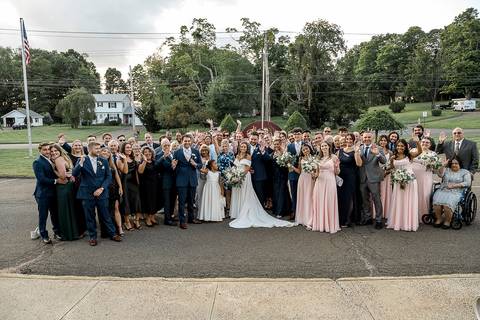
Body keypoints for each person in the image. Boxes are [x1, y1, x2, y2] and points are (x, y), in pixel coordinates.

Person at [229, 142, 295, 229]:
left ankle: (246, 212)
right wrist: (234, 176)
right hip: (237, 177)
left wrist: (239, 177)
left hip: (244, 177)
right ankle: (238, 212)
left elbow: (247, 168)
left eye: (245, 146)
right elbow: (235, 166)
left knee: (247, 194)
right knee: (238, 193)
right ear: (239, 147)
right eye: (241, 146)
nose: (243, 148)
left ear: (247, 148)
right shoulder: (236, 156)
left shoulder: (249, 156)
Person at [72, 142, 122, 246]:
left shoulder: (103, 161)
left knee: (106, 214)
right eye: (97, 149)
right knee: (90, 216)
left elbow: (108, 177)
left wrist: (102, 188)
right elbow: (74, 174)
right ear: (90, 149)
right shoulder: (82, 160)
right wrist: (80, 163)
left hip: (102, 192)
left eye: (99, 148)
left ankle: (112, 234)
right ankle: (93, 237)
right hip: (87, 193)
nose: (99, 150)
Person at [387, 139, 420, 232]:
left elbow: (419, 152)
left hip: (409, 181)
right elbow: (391, 168)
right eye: (398, 146)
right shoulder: (393, 157)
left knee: (408, 201)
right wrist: (384, 170)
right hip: (398, 181)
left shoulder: (409, 155)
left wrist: (417, 142)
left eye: (402, 146)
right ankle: (398, 222)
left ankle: (408, 223)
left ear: (405, 147)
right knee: (399, 201)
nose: (399, 147)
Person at [33, 142, 63, 244]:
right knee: (43, 215)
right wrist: (56, 181)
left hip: (53, 193)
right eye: (44, 150)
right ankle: (44, 235)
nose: (47, 151)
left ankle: (57, 232)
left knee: (55, 214)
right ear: (40, 150)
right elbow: (41, 179)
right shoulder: (38, 162)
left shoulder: (51, 159)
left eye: (48, 149)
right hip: (43, 194)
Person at [432, 157, 472, 229]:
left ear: (460, 164)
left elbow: (468, 183)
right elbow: (440, 175)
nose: (454, 165)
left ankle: (448, 221)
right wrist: (443, 165)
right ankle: (439, 219)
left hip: (456, 191)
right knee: (436, 204)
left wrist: (454, 185)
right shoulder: (447, 170)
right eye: (452, 163)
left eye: (456, 163)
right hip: (443, 189)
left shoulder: (465, 172)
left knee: (447, 205)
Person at [172, 135, 203, 229]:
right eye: (185, 141)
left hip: (192, 179)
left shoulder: (196, 152)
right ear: (182, 141)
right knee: (181, 201)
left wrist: (196, 164)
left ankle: (191, 218)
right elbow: (174, 166)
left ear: (191, 142)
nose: (187, 142)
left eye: (189, 141)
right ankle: (182, 221)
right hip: (181, 180)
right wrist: (173, 167)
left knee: (191, 200)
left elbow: (200, 165)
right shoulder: (177, 152)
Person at [358, 131, 387, 229]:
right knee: (365, 199)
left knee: (376, 199)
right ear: (362, 138)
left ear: (372, 138)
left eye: (368, 137)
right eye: (365, 137)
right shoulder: (359, 148)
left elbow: (384, 161)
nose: (366, 139)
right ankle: (368, 218)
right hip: (362, 178)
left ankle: (379, 220)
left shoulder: (378, 148)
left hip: (374, 178)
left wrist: (378, 154)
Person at [50, 144, 79, 241]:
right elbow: (70, 172)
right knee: (69, 209)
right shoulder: (64, 158)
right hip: (68, 186)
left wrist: (54, 171)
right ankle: (73, 232)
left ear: (59, 150)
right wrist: (69, 174)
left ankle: (67, 234)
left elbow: (62, 176)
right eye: (52, 151)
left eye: (55, 150)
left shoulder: (58, 159)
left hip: (63, 187)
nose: (54, 153)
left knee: (64, 210)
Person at [311, 142, 341, 233]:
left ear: (329, 147)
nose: (324, 147)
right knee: (319, 202)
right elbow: (316, 173)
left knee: (329, 201)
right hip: (319, 182)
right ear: (320, 148)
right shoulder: (318, 158)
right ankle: (320, 224)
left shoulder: (334, 157)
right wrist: (313, 174)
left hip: (330, 181)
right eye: (322, 146)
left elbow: (338, 172)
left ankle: (330, 224)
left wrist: (336, 167)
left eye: (325, 146)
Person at [337, 133, 362, 227]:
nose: (348, 140)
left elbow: (359, 164)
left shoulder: (356, 150)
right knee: (341, 198)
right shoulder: (340, 150)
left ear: (354, 140)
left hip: (350, 177)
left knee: (349, 198)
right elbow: (336, 163)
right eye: (347, 139)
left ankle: (348, 219)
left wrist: (356, 152)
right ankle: (340, 218)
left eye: (350, 139)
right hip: (340, 177)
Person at [100, 147, 124, 236]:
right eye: (104, 151)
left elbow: (117, 176)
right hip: (104, 189)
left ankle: (119, 228)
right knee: (105, 210)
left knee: (116, 208)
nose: (106, 153)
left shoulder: (112, 164)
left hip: (114, 188)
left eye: (108, 152)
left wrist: (120, 187)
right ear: (100, 153)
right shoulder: (98, 163)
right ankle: (107, 230)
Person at [411, 138, 437, 221]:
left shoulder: (433, 153)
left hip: (425, 177)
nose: (425, 143)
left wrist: (432, 165)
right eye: (423, 142)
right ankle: (411, 214)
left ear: (430, 144)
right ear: (420, 143)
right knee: (412, 194)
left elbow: (435, 168)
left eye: (427, 142)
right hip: (413, 176)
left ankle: (423, 214)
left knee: (424, 194)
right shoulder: (414, 150)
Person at [155, 138, 177, 226]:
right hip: (165, 181)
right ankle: (167, 220)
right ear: (161, 146)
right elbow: (156, 166)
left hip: (174, 181)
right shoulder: (159, 155)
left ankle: (171, 216)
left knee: (172, 200)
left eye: (168, 145)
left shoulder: (173, 154)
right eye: (165, 145)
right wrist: (164, 157)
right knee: (167, 201)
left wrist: (175, 166)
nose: (167, 147)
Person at [120, 142, 141, 230]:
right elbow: (124, 171)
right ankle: (127, 222)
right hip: (125, 182)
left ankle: (136, 220)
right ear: (123, 149)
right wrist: (124, 160)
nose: (129, 149)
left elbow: (137, 171)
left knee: (137, 200)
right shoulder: (120, 159)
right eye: (127, 148)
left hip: (134, 183)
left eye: (130, 147)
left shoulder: (133, 158)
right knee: (126, 202)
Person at [269, 138, 291, 218]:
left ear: (280, 144)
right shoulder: (271, 154)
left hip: (282, 175)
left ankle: (281, 211)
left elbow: (286, 166)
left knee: (281, 193)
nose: (276, 146)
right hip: (274, 176)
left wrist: (281, 157)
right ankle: (276, 209)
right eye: (275, 144)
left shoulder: (284, 154)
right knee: (276, 193)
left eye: (277, 144)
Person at [295, 144, 316, 227]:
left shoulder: (314, 158)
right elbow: (299, 171)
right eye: (303, 150)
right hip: (303, 179)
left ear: (310, 149)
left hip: (311, 179)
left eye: (307, 149)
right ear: (302, 152)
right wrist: (292, 167)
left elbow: (316, 169)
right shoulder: (301, 158)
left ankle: (310, 218)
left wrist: (313, 172)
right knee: (303, 198)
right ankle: (303, 218)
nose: (305, 151)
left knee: (310, 198)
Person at [138, 146, 158, 227]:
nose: (148, 153)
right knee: (148, 201)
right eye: (145, 152)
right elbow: (140, 171)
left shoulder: (154, 161)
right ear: (142, 154)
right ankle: (147, 219)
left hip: (155, 184)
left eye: (149, 152)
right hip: (146, 186)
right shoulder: (141, 162)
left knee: (154, 201)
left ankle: (152, 217)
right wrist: (145, 161)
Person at [249, 132, 270, 208]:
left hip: (259, 176)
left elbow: (268, 159)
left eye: (255, 139)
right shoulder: (245, 147)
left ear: (258, 140)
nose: (253, 141)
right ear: (249, 138)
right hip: (247, 175)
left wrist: (262, 151)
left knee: (260, 194)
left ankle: (260, 210)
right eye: (252, 139)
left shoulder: (262, 147)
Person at [287, 128, 303, 219]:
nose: (296, 135)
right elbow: (287, 159)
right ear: (293, 135)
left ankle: (303, 212)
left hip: (304, 173)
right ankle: (294, 211)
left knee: (303, 193)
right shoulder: (289, 146)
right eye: (295, 134)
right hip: (293, 173)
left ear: (301, 135)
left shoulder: (305, 144)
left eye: (298, 134)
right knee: (293, 193)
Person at [216, 139, 235, 216]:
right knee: (221, 192)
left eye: (226, 146)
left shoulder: (231, 154)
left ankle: (228, 208)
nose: (224, 148)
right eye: (223, 146)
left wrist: (229, 173)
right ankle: (221, 209)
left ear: (228, 146)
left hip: (229, 176)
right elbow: (218, 164)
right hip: (221, 175)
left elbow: (233, 164)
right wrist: (222, 170)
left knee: (228, 193)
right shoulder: (220, 154)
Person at [377, 135, 393, 221]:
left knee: (386, 193)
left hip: (386, 175)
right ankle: (377, 212)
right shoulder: (375, 150)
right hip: (377, 175)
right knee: (378, 193)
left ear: (387, 142)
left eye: (385, 140)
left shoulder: (390, 152)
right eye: (381, 140)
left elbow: (391, 165)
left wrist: (386, 172)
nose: (383, 142)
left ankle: (386, 212)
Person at [195, 144, 210, 220]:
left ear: (208, 151)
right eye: (202, 150)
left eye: (205, 150)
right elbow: (196, 166)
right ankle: (199, 209)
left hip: (208, 178)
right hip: (200, 178)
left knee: (206, 194)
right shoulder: (199, 158)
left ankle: (206, 209)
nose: (204, 152)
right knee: (199, 193)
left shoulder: (210, 158)